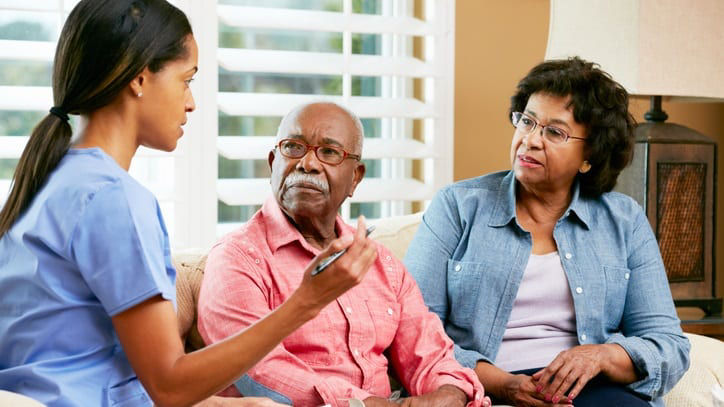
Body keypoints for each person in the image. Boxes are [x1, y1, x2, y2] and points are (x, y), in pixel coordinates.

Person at [0, 1, 375, 406]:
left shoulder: (49, 178)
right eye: (186, 79)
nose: (191, 102)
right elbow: (170, 386)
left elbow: (107, 367)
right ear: (140, 78)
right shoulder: (114, 199)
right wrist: (307, 302)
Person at [404, 57, 690, 407]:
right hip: (483, 391)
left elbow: (668, 345)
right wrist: (504, 384)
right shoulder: (458, 206)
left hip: (593, 392)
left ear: (589, 157)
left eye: (554, 132)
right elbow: (413, 332)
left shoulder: (624, 221)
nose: (530, 140)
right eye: (527, 121)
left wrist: (600, 356)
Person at [197, 102, 491, 407]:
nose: (307, 164)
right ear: (273, 162)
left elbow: (430, 352)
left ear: (355, 177)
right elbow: (258, 372)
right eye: (294, 147)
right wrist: (371, 405)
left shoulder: (379, 262)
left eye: (329, 152)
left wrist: (450, 393)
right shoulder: (237, 258)